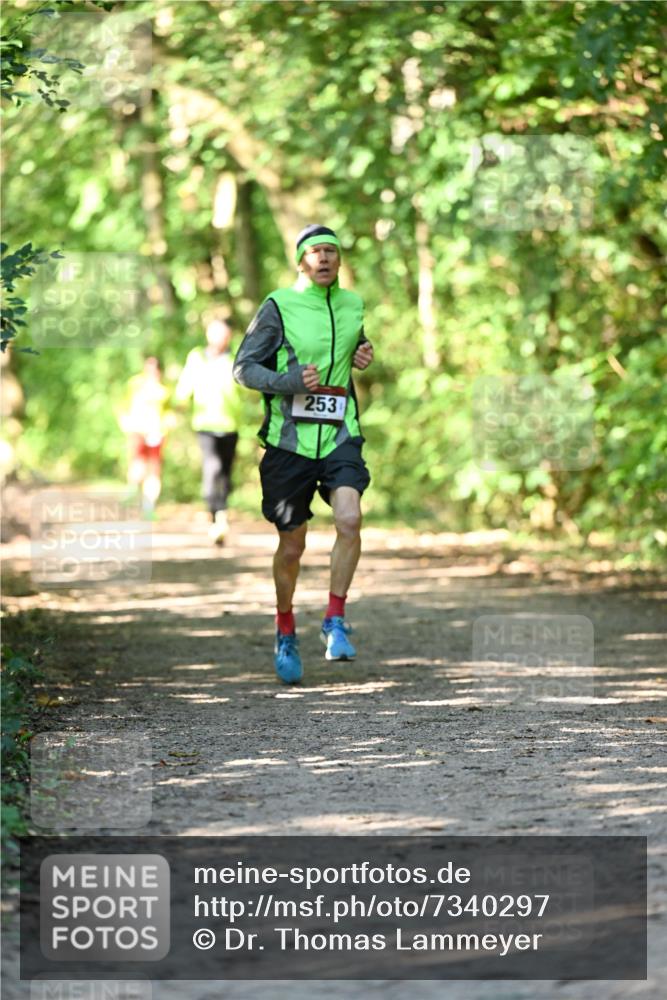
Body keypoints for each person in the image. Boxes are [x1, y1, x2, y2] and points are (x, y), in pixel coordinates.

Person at [233, 223, 374, 684]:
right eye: (316, 252)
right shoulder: (278, 305)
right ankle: (286, 628)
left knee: (349, 519)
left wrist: (362, 352)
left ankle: (334, 619)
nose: (325, 258)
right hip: (287, 442)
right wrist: (288, 382)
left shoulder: (353, 304)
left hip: (339, 433)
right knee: (292, 545)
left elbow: (350, 343)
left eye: (332, 251)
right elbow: (244, 368)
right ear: (301, 261)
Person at [175, 313, 241, 544]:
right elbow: (184, 386)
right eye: (215, 332)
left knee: (225, 471)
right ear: (208, 334)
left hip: (231, 424)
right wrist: (179, 403)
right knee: (212, 468)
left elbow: (246, 387)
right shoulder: (196, 358)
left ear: (229, 336)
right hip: (205, 424)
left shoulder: (236, 359)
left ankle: (220, 512)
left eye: (224, 332)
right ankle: (217, 515)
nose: (220, 337)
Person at [118, 357, 170, 518]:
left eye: (155, 368)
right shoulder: (135, 384)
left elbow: (169, 414)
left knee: (154, 472)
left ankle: (149, 507)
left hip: (156, 435)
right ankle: (132, 490)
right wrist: (126, 424)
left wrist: (165, 429)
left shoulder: (164, 391)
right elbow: (122, 405)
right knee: (137, 465)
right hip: (138, 431)